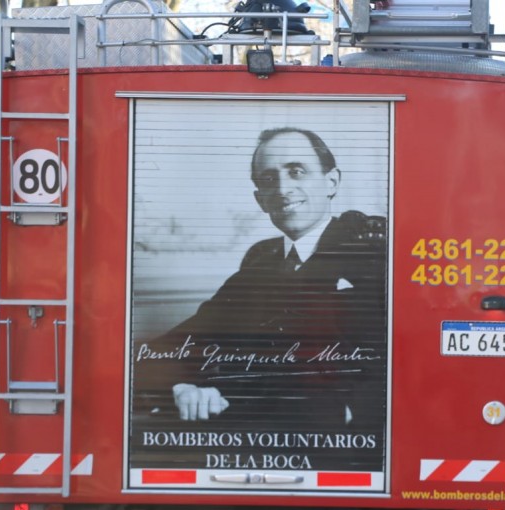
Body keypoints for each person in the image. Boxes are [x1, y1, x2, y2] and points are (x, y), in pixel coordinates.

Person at [130, 127, 388, 473]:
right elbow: (177, 345)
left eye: (297, 171)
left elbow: (400, 365)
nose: (283, 189)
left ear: (331, 182)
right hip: (250, 446)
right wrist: (182, 386)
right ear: (259, 199)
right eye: (269, 179)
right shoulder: (260, 263)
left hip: (343, 450)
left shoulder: (374, 252)